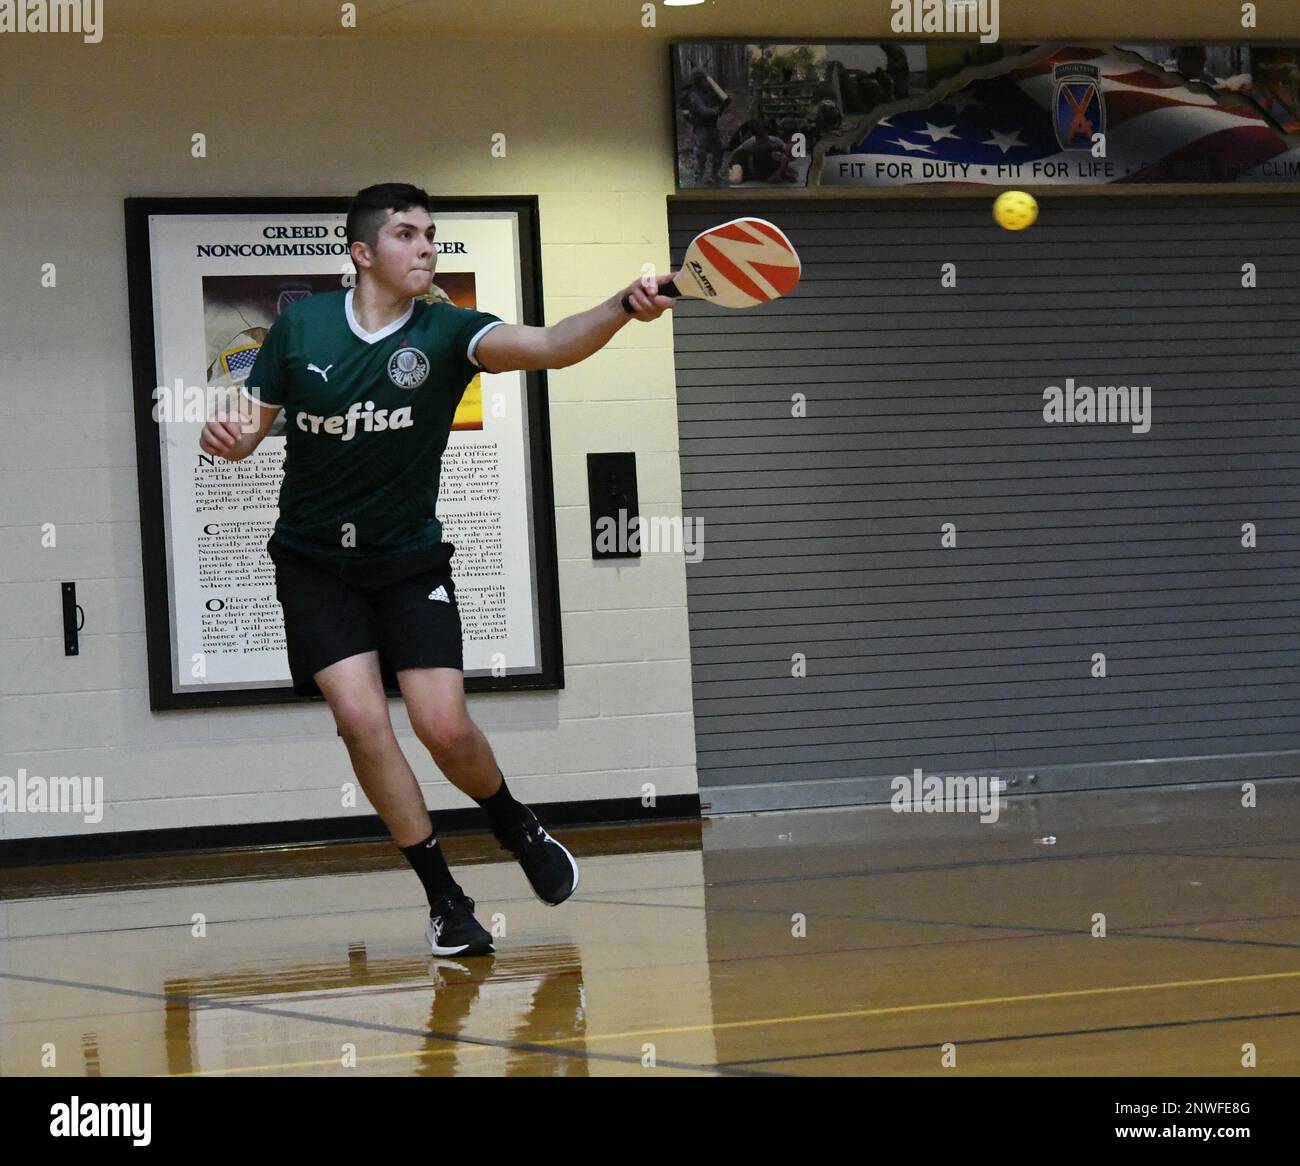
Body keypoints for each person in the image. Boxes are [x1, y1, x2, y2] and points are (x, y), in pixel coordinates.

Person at [199, 183, 679, 957]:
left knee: (443, 725)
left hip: (407, 557)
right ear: (362, 253)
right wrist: (223, 437)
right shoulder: (300, 329)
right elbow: (247, 434)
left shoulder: (449, 331)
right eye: (405, 234)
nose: (426, 247)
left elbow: (553, 345)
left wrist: (625, 305)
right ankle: (445, 901)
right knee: (360, 721)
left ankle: (515, 823)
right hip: (314, 562)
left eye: (431, 234)